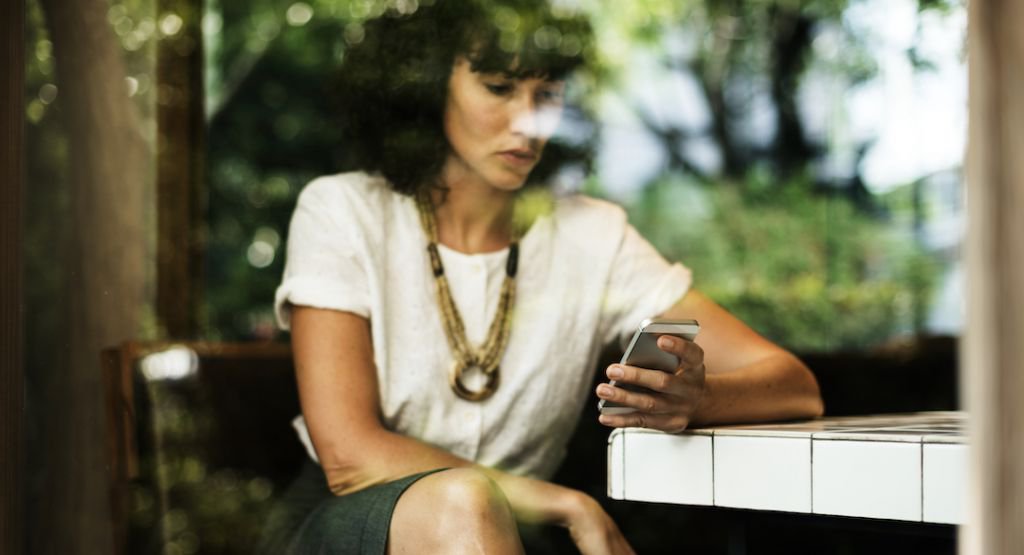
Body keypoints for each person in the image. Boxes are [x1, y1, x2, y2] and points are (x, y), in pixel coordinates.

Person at [264, 1, 824, 553]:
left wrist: (692, 400)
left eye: (548, 95)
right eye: (500, 87)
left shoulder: (593, 236)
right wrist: (568, 504)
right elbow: (349, 457)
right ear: (430, 87)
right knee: (465, 503)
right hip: (347, 521)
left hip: (514, 536)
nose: (528, 120)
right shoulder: (342, 210)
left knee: (474, 507)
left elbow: (797, 387)